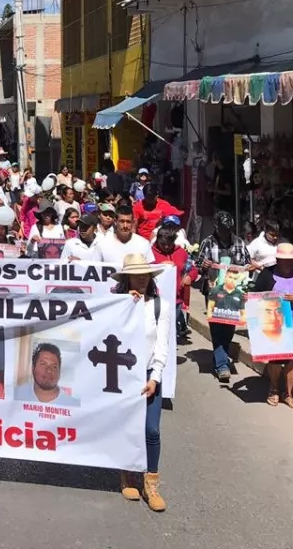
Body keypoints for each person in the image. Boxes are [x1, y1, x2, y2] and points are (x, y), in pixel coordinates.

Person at [111, 253, 170, 512]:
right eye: (136, 275)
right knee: (126, 426)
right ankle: (128, 475)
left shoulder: (160, 306)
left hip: (148, 375)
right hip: (122, 375)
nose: (142, 279)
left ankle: (151, 483)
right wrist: (124, 305)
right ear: (127, 279)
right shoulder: (116, 305)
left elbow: (162, 345)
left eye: (145, 275)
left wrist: (155, 377)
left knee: (151, 430)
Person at [251, 243, 293, 407]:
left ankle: (288, 394)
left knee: (292, 361)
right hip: (274, 325)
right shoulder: (268, 274)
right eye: (285, 260)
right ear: (278, 260)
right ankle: (273, 389)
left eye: (291, 260)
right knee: (275, 361)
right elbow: (256, 293)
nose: (288, 263)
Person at [196, 210, 250, 382]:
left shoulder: (239, 243)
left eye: (228, 229)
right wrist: (204, 266)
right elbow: (198, 266)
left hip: (234, 292)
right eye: (222, 229)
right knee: (217, 327)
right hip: (214, 292)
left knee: (229, 327)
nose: (226, 233)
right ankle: (222, 365)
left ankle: (220, 356)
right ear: (217, 227)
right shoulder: (208, 242)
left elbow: (247, 264)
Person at [14, 342, 79, 407]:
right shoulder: (15, 395)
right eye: (43, 364)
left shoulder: (73, 406)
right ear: (33, 368)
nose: (49, 370)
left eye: (54, 366)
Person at [101, 203, 155, 268]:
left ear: (133, 222)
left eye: (128, 222)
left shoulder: (143, 244)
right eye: (122, 221)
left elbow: (150, 268)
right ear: (115, 222)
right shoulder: (103, 244)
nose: (125, 226)